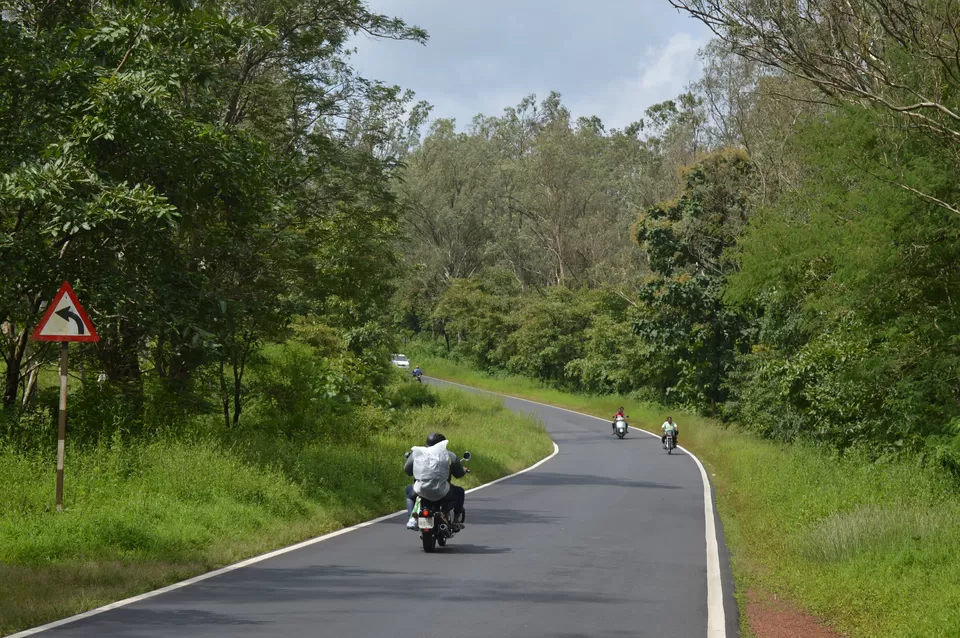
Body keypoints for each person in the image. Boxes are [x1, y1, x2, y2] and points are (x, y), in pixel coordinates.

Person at [404, 432, 467, 530]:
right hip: (443, 492)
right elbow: (458, 474)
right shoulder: (449, 455)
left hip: (420, 490)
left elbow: (407, 471)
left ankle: (412, 518)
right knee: (460, 492)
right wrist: (463, 470)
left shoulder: (417, 453)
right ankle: (455, 521)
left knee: (408, 491)